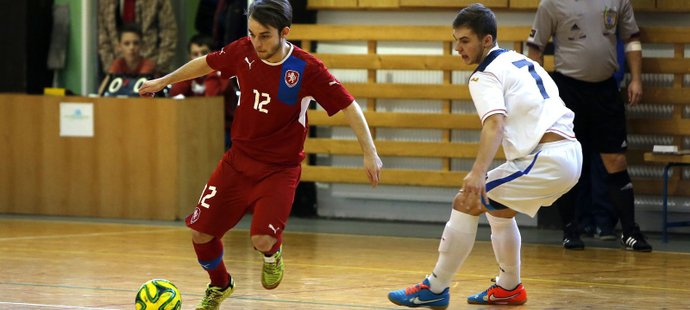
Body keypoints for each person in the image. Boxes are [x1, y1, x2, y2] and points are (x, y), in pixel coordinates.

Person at [138, 1, 383, 309]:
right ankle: (220, 285)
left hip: (279, 169)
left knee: (261, 240)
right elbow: (208, 63)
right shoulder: (243, 50)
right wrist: (163, 81)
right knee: (201, 233)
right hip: (237, 161)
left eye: (264, 36)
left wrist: (369, 153)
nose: (256, 42)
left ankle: (273, 253)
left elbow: (349, 105)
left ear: (285, 32)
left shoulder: (306, 69)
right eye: (252, 34)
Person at [387, 4, 582, 308]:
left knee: (467, 199)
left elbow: (495, 122)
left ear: (487, 40)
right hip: (566, 155)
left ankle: (436, 287)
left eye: (465, 41)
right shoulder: (518, 59)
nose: (458, 49)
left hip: (548, 159)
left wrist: (478, 172)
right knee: (498, 210)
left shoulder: (485, 75)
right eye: (456, 40)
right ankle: (509, 287)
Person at [526, 0, 652, 251]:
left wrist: (636, 79)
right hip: (568, 90)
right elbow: (535, 49)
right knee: (568, 160)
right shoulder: (551, 4)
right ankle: (570, 229)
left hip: (605, 90)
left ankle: (630, 231)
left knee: (616, 161)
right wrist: (535, 91)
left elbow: (632, 39)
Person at [97, 0, 177, 75]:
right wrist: (111, 69)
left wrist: (158, 66)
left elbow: (168, 31)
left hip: (152, 66)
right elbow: (103, 37)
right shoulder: (106, 2)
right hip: (116, 68)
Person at [98, 23, 155, 96]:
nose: (131, 47)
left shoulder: (148, 64)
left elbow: (140, 89)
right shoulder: (118, 63)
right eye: (126, 43)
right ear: (119, 46)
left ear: (142, 45)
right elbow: (101, 92)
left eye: (136, 43)